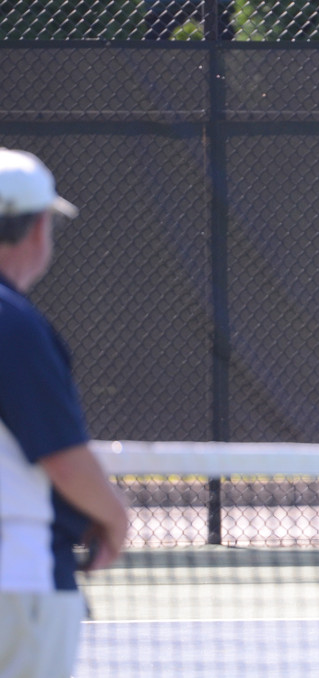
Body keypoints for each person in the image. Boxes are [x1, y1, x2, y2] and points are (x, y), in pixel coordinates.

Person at [0, 149, 129, 677]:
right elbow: (65, 462)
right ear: (36, 230)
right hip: (20, 579)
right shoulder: (16, 327)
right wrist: (115, 519)